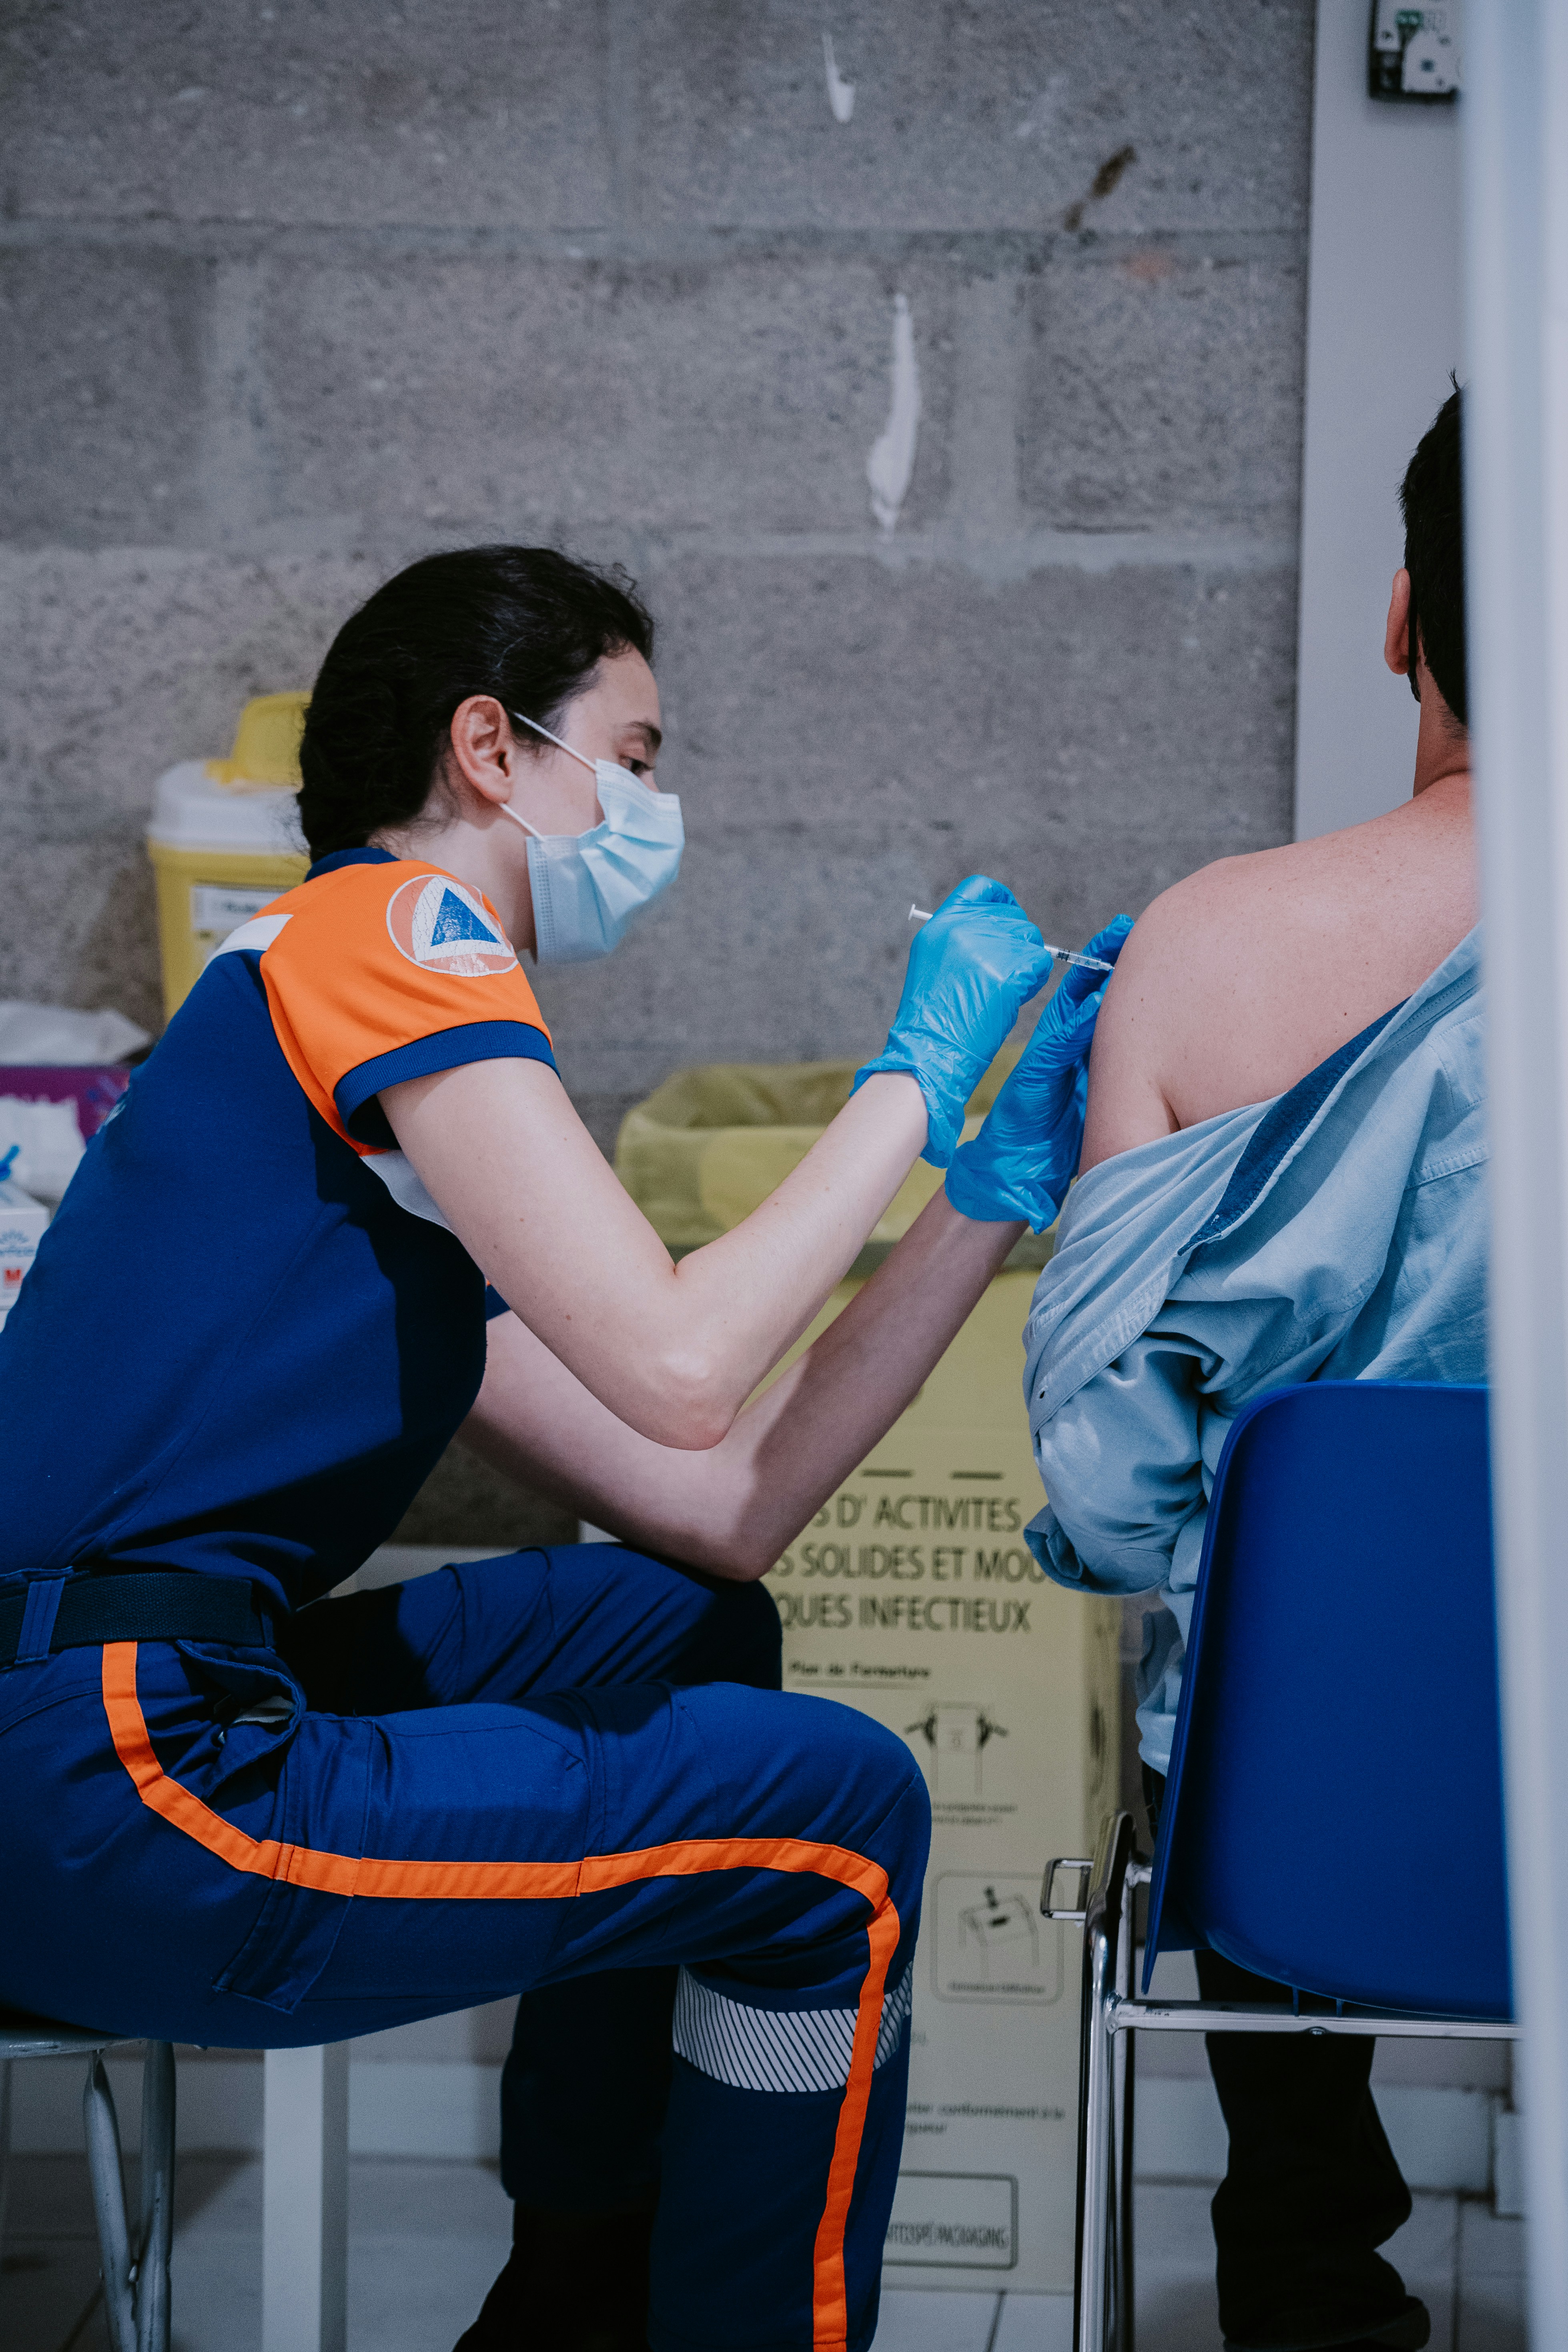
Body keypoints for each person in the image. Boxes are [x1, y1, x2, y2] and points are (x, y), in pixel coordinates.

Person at [0, 543, 1127, 2352]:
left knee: (677, 1627)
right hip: (119, 1790)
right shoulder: (385, 926)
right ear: (491, 754)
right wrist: (912, 1074)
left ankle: (576, 2284)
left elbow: (722, 1505)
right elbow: (686, 1366)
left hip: (88, 1741)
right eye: (638, 751)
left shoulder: (361, 1139)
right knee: (842, 1819)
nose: (655, 805)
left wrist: (987, 1192)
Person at [1023, 386, 1477, 2352]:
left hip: (1306, 1843)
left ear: (1400, 616)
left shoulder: (1201, 950)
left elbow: (1115, 1506)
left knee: (1228, 1671)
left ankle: (1306, 2273)